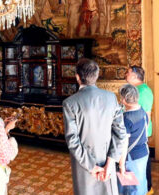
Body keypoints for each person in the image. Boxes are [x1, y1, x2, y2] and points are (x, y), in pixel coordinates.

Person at [63, 58, 127, 195]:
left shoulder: (70, 103)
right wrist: (111, 161)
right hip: (107, 160)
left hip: (84, 164)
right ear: (97, 76)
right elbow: (120, 133)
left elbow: (72, 140)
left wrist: (91, 166)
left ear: (77, 77)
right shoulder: (111, 98)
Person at [125, 65, 154, 194]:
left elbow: (144, 115)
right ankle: (143, 188)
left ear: (134, 76)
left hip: (138, 134)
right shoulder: (138, 89)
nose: (125, 74)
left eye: (128, 72)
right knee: (140, 161)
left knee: (139, 162)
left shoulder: (141, 91)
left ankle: (146, 189)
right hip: (137, 133)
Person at [117, 84, 149, 195]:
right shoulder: (142, 111)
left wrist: (121, 165)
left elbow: (124, 144)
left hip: (131, 157)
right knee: (140, 184)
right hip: (144, 153)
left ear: (124, 99)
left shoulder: (126, 118)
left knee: (131, 189)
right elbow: (146, 127)